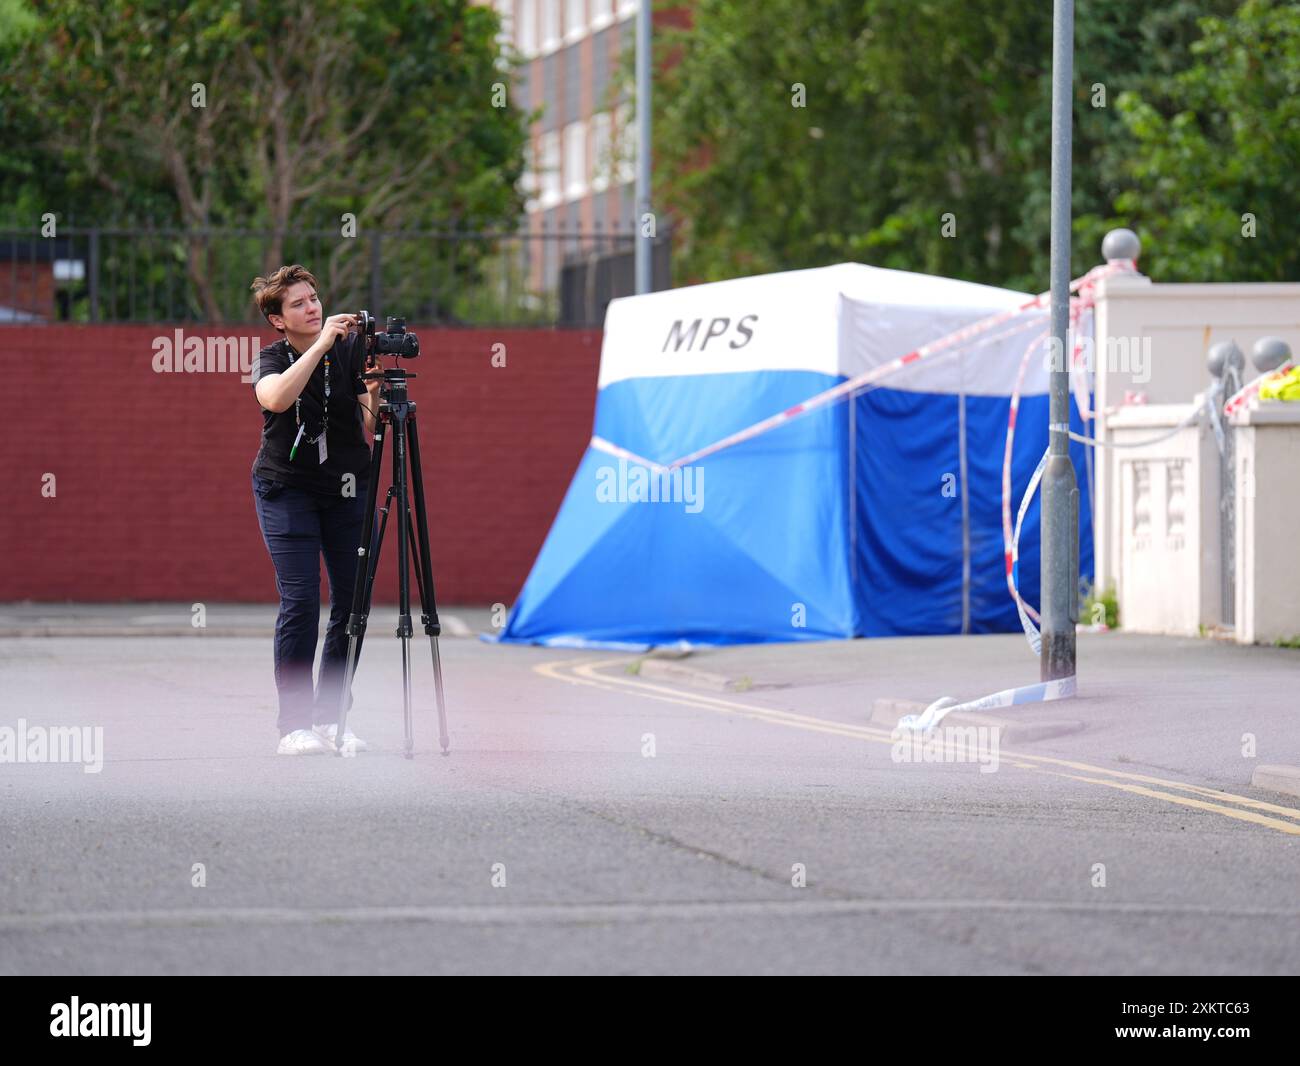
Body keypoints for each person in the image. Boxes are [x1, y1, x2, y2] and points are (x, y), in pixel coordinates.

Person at [249, 264, 381, 755]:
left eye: (314, 297)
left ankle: (331, 719)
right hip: (287, 490)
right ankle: (294, 726)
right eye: (299, 303)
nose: (312, 306)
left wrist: (373, 386)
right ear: (278, 320)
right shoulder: (272, 357)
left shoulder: (349, 352)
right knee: (302, 601)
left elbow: (369, 424)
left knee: (351, 604)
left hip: (346, 487)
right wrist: (322, 345)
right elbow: (277, 398)